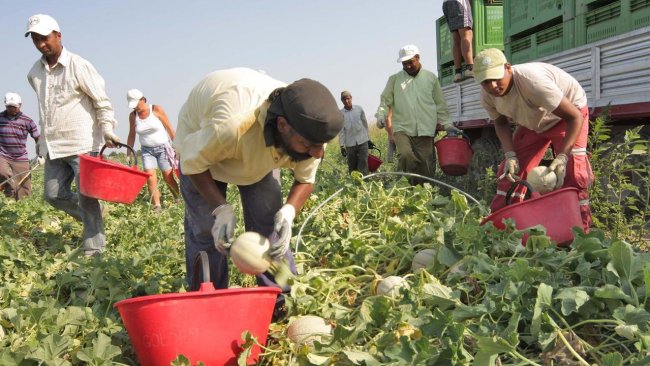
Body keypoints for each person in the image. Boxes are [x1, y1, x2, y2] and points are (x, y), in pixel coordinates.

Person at [173, 68, 343, 317]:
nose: (317, 153)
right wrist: (220, 209)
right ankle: (208, 302)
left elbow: (305, 179)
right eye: (308, 146)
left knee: (270, 225)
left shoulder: (311, 130)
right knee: (205, 231)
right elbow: (192, 164)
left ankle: (281, 298)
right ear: (282, 125)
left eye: (319, 147)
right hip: (202, 150)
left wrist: (288, 212)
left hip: (255, 156)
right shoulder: (233, 126)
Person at [26, 14, 121, 257]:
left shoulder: (79, 65)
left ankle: (95, 248)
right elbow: (45, 109)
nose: (41, 44)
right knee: (52, 194)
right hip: (54, 145)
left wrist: (107, 127)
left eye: (45, 38)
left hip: (82, 142)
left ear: (58, 35)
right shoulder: (34, 73)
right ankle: (93, 221)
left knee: (87, 197)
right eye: (36, 39)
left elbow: (101, 100)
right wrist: (41, 144)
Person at [473, 48, 594, 231]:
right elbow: (501, 123)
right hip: (534, 122)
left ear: (508, 68)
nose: (492, 86)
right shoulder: (487, 96)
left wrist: (562, 156)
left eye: (496, 78)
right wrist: (510, 154)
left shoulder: (533, 82)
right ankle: (502, 228)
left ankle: (579, 234)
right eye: (485, 82)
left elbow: (574, 117)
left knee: (573, 174)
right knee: (509, 173)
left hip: (567, 116)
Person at [375, 44, 459, 185]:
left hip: (425, 129)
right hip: (402, 128)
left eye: (410, 62)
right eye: (404, 63)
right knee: (405, 155)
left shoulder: (430, 78)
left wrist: (447, 124)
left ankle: (424, 191)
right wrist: (381, 116)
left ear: (418, 58)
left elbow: (440, 104)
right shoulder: (394, 80)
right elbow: (385, 102)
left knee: (426, 163)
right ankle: (407, 187)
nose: (407, 66)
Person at [126, 89, 179, 213]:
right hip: (146, 151)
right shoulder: (133, 116)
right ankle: (157, 206)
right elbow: (132, 135)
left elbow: (169, 128)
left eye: (136, 105)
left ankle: (178, 199)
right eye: (133, 106)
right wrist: (128, 153)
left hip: (163, 148)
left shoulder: (156, 109)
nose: (135, 108)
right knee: (150, 177)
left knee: (168, 177)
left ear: (143, 100)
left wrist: (177, 146)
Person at [0, 92, 40, 200]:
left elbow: (37, 137)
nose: (11, 109)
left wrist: (41, 153)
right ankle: (9, 191)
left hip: (20, 156)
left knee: (24, 187)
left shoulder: (27, 121)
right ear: (5, 105)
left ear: (20, 105)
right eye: (9, 106)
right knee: (2, 172)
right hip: (3, 154)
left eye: (14, 107)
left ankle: (21, 205)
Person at [442, 0, 478, 82]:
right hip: (459, 3)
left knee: (457, 38)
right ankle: (470, 68)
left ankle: (458, 72)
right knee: (466, 34)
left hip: (447, 4)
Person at [338, 90, 370, 175]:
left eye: (348, 98)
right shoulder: (340, 114)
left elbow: (365, 124)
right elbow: (341, 131)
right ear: (342, 101)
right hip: (350, 144)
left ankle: (365, 185)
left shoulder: (359, 109)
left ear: (351, 98)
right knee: (352, 167)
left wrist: (368, 139)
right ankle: (354, 186)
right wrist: (342, 146)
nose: (346, 101)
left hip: (362, 141)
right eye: (344, 99)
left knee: (363, 165)